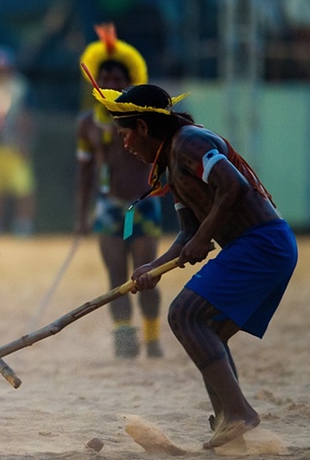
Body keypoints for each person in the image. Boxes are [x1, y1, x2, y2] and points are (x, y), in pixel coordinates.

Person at [92, 82, 297, 449]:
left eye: (125, 135)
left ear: (142, 128)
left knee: (183, 315)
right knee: (207, 330)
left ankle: (238, 412)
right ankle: (227, 422)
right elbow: (188, 234)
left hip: (263, 242)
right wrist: (152, 268)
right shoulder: (169, 165)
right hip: (259, 247)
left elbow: (232, 188)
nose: (124, 145)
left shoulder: (190, 142)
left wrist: (205, 239)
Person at [76, 24, 163, 358]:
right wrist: (81, 215)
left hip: (143, 206)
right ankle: (126, 343)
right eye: (106, 79)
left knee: (147, 276)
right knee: (116, 277)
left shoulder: (145, 119)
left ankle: (153, 338)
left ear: (130, 83)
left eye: (118, 80)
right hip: (110, 208)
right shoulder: (88, 124)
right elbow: (84, 172)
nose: (111, 85)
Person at [0, 46, 35, 235]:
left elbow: (25, 115)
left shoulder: (20, 85)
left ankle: (23, 224)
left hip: (13, 143)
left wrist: (24, 141)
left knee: (22, 185)